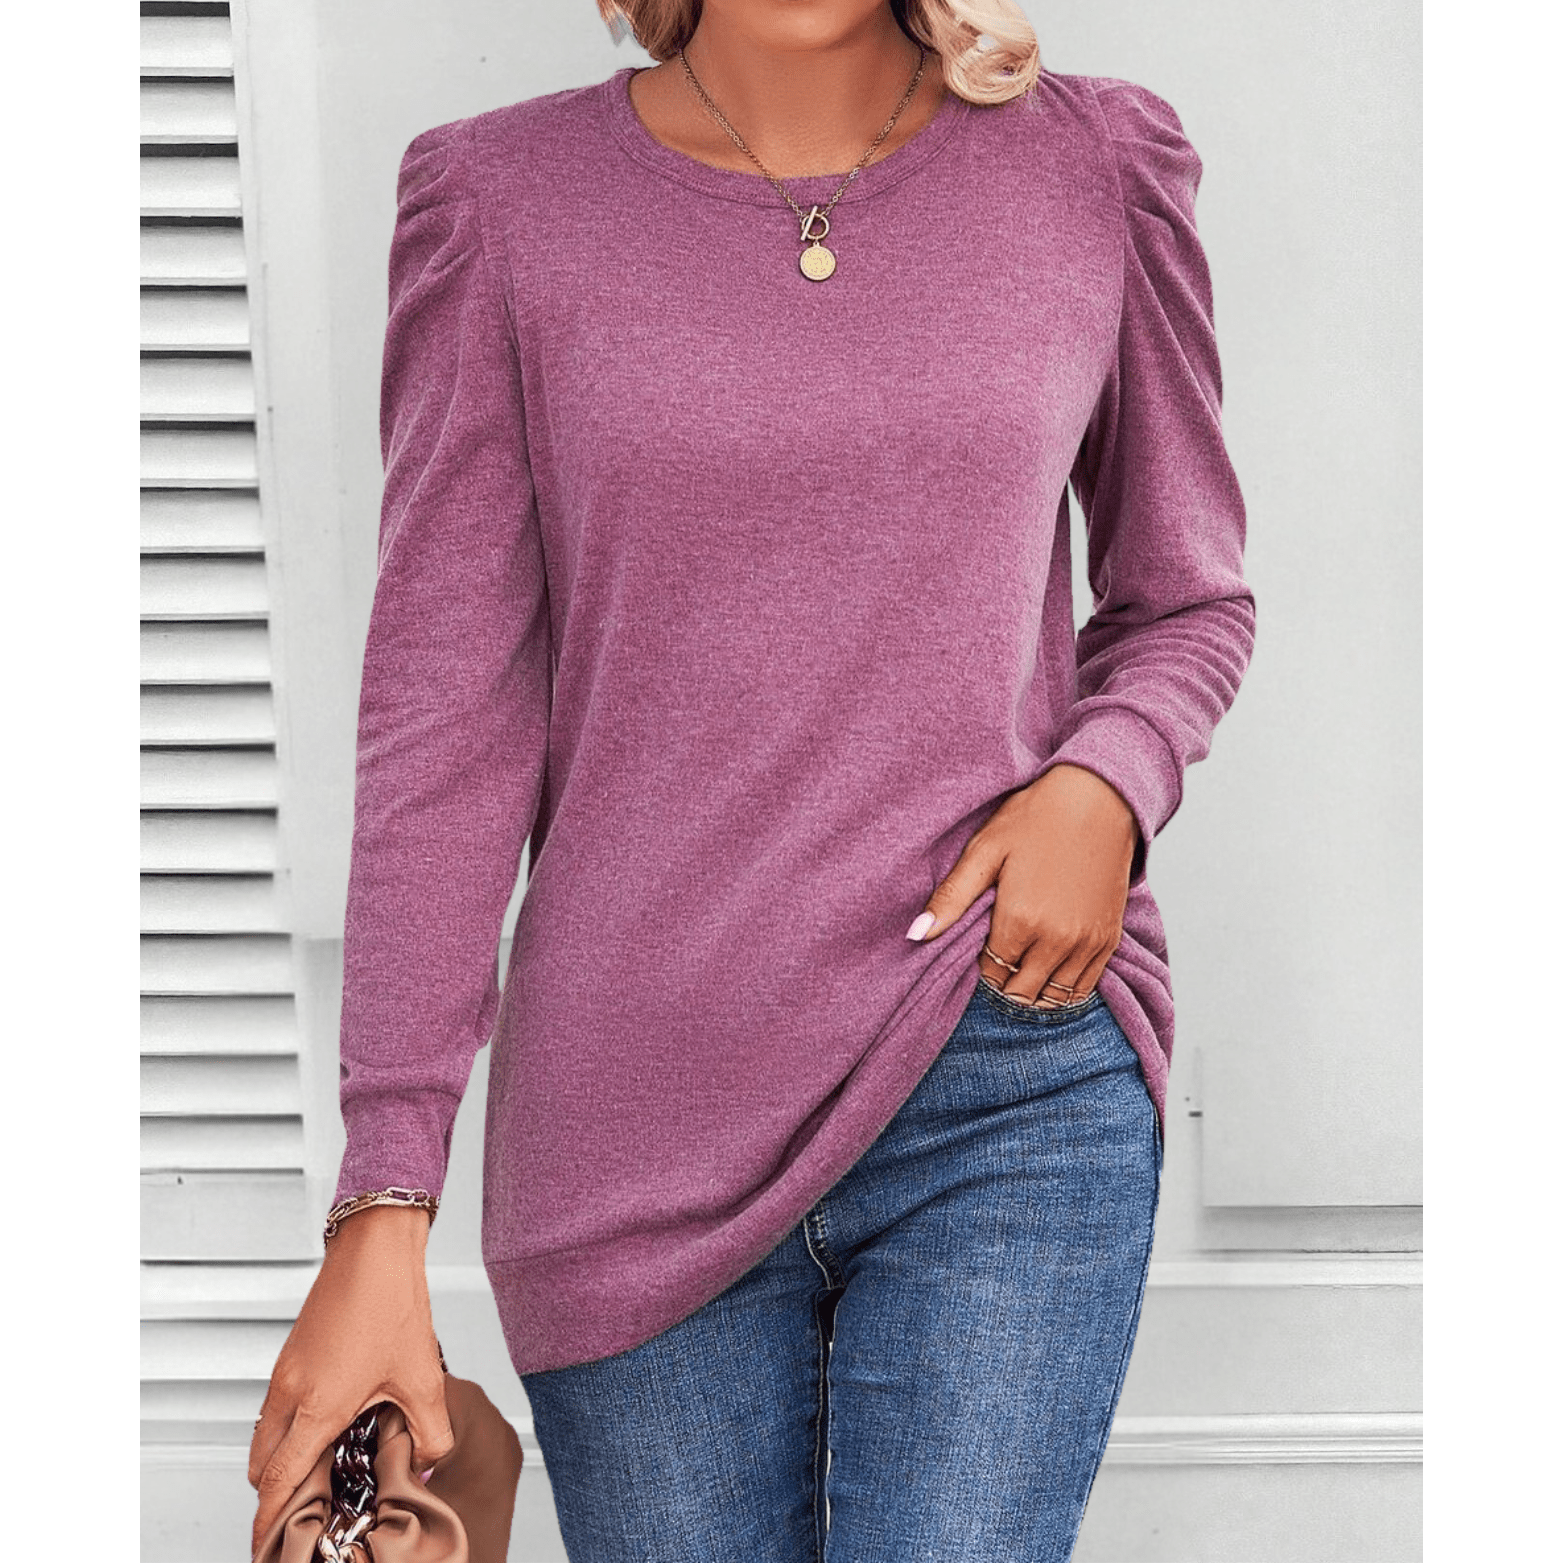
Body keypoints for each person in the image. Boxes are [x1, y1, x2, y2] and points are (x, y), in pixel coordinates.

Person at [248, 0, 1255, 1557]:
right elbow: (444, 723)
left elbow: (1185, 597)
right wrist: (381, 1201)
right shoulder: (497, 202)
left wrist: (1103, 785)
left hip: (1000, 1056)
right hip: (628, 1119)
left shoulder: (1097, 164)